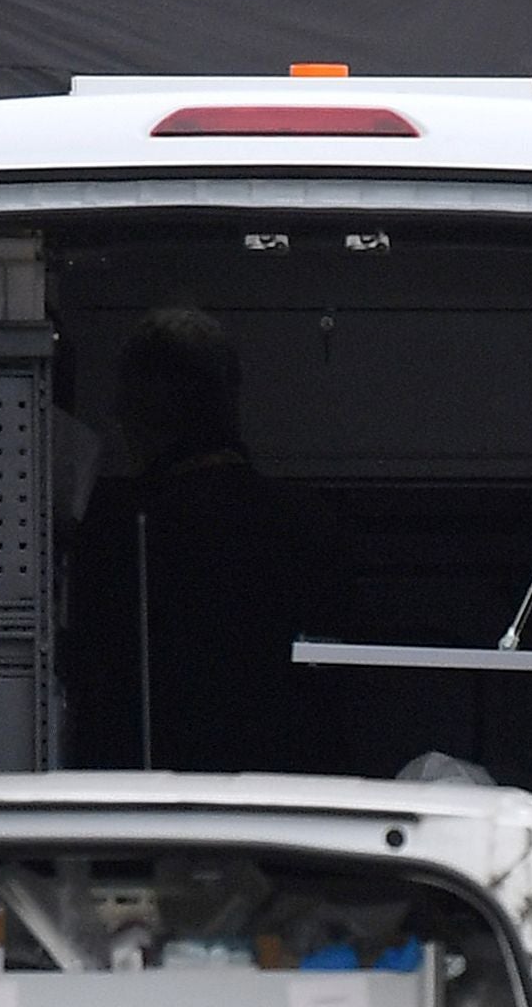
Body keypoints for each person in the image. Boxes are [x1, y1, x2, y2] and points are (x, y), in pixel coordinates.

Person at [64, 308, 357, 773]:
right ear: (232, 401)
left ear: (137, 414)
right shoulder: (307, 518)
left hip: (142, 797)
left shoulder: (118, 527)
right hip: (292, 793)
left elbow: (89, 677)